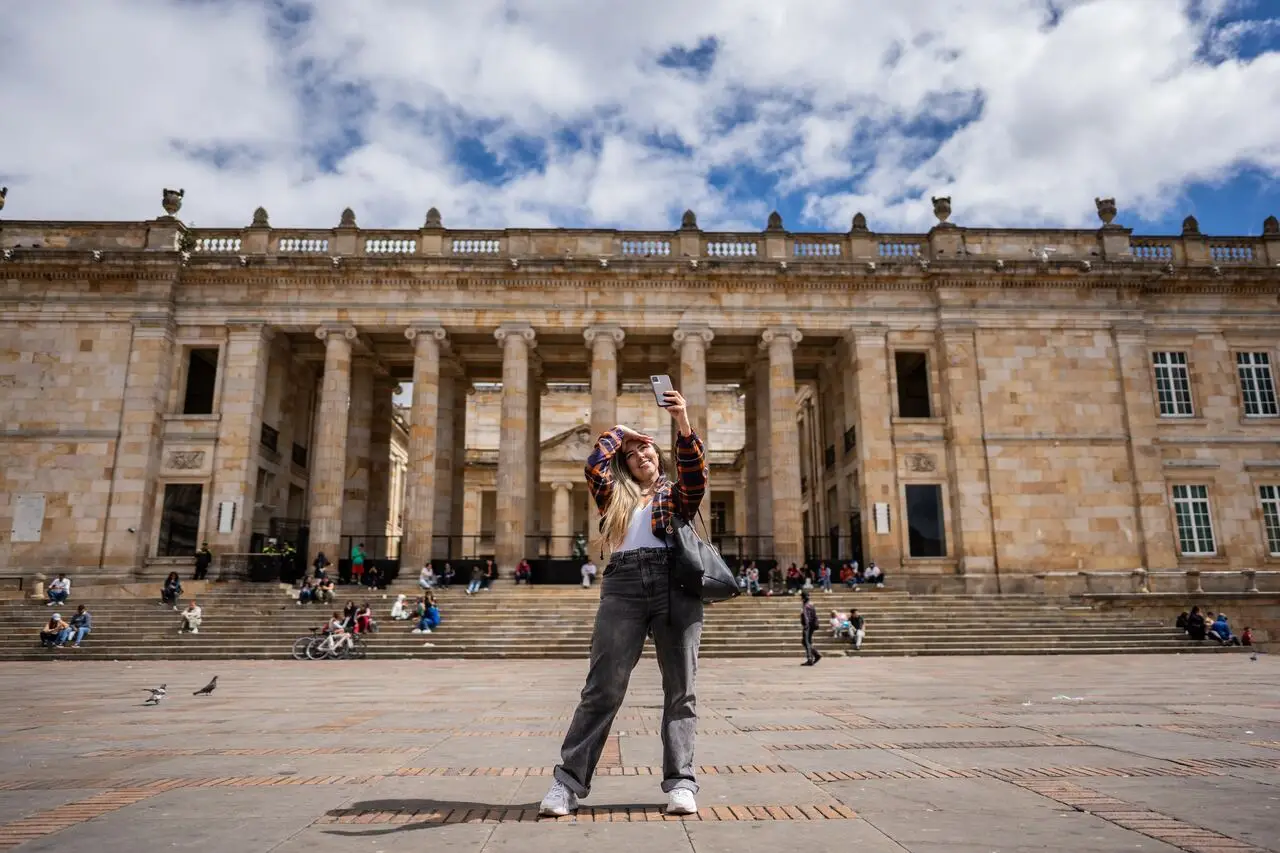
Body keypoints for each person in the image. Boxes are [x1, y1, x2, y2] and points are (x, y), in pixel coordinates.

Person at [539, 387, 705, 819]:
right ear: (625, 464)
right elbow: (594, 465)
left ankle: (681, 782)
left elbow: (695, 471)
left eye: (645, 449)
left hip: (674, 583)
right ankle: (568, 782)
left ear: (658, 456)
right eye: (631, 455)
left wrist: (682, 421)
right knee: (602, 687)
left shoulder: (676, 494)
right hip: (624, 583)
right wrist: (621, 432)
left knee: (680, 689)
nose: (639, 456)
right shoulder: (615, 497)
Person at [800, 591, 821, 666]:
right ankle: (816, 654)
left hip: (807, 626)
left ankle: (810, 659)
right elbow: (815, 616)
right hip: (812, 625)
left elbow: (806, 616)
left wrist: (806, 625)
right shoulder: (811, 604)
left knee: (806, 642)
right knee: (805, 641)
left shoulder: (805, 605)